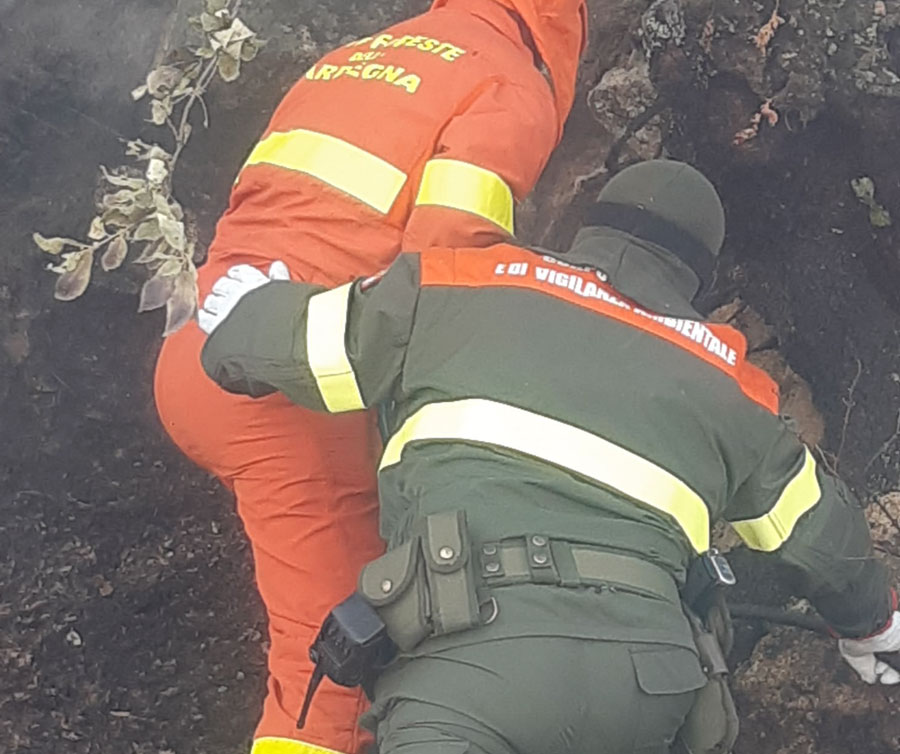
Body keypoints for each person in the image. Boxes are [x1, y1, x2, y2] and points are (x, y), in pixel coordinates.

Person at [198, 159, 899, 754]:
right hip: (647, 683)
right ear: (695, 279)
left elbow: (286, 349)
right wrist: (872, 625)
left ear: (587, 225)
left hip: (470, 664)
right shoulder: (732, 386)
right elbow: (820, 537)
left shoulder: (455, 287)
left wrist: (245, 311)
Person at [153, 0, 591, 752]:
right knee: (335, 673)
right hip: (292, 392)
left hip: (203, 348)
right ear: (562, 13)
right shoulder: (509, 82)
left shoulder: (364, 55)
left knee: (315, 611)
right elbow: (444, 266)